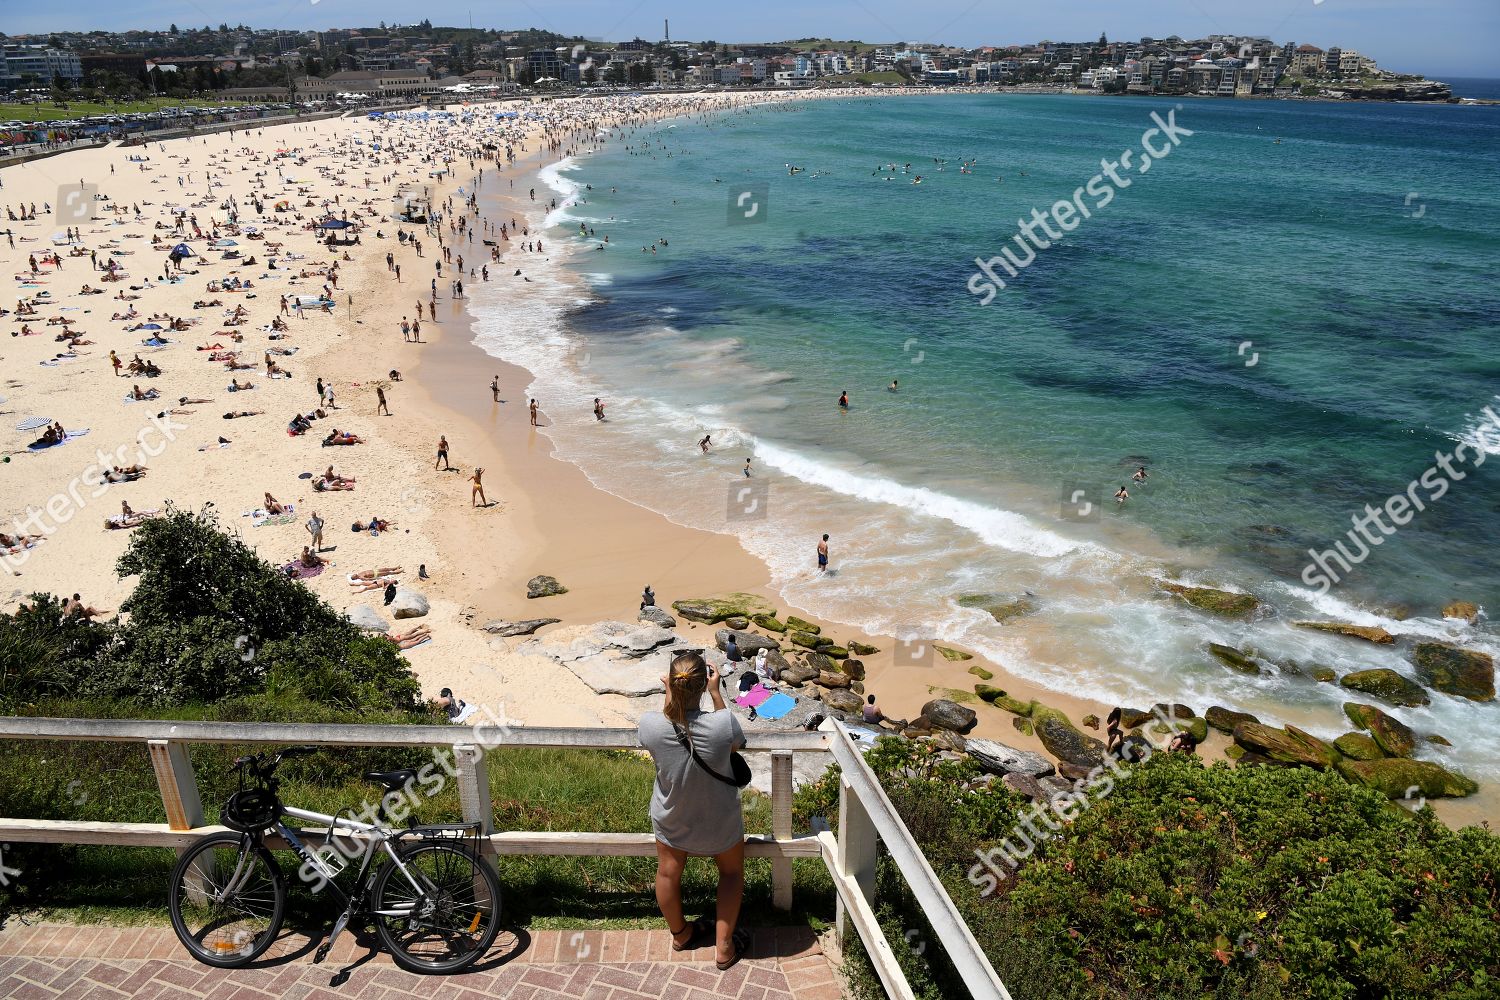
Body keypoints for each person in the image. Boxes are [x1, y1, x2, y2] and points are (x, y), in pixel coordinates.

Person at [638, 651, 749, 971]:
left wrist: (671, 696)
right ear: (703, 684)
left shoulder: (649, 724)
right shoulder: (722, 722)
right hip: (719, 822)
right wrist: (716, 695)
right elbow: (734, 744)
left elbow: (666, 729)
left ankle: (681, 934)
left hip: (673, 818)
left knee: (668, 873)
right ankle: (724, 948)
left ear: (670, 684)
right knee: (730, 874)